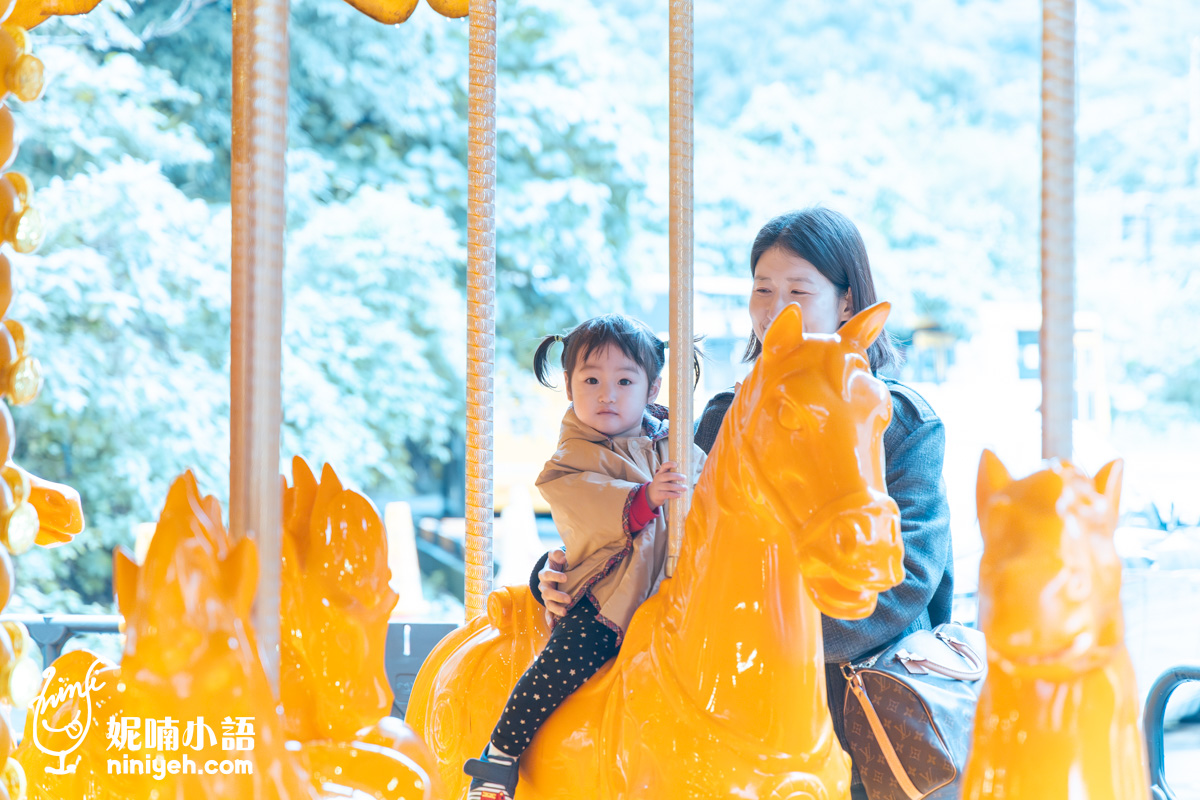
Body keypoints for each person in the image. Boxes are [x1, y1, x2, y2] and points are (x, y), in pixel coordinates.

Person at [533, 208, 952, 799]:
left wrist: (761, 641)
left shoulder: (901, 423)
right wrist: (565, 576)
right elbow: (675, 542)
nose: (775, 308)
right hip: (724, 696)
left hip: (849, 694)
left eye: (798, 290)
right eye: (762, 290)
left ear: (847, 301)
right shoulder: (728, 416)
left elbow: (907, 580)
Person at [465, 313, 706, 800]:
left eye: (623, 381)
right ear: (570, 387)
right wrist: (647, 499)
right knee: (565, 660)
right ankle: (499, 757)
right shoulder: (573, 455)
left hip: (677, 594)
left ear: (653, 387)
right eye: (590, 380)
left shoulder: (674, 445)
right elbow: (588, 508)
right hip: (607, 597)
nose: (606, 394)